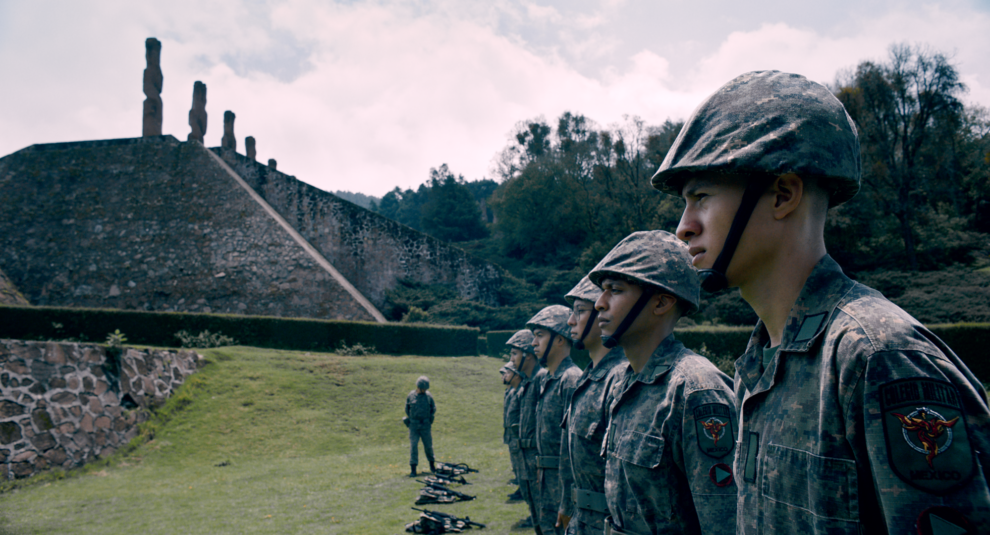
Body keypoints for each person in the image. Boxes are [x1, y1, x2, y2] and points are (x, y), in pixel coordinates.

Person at [656, 70, 990, 534]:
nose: (684, 227)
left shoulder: (879, 356)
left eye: (702, 197)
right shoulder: (759, 363)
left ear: (783, 194)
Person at [590, 230, 737, 535]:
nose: (599, 304)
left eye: (614, 290)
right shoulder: (623, 382)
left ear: (661, 303)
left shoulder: (696, 390)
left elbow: (724, 522)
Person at [558, 276, 627, 535]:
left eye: (580, 311)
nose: (570, 321)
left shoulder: (620, 378)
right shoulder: (586, 378)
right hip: (583, 520)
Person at [527, 305, 583, 535]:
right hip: (544, 478)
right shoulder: (546, 378)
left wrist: (568, 501)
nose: (533, 343)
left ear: (560, 340)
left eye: (540, 335)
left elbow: (573, 449)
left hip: (561, 483)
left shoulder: (570, 380)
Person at [514, 329, 545, 533]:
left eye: (515, 353)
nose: (512, 359)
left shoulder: (541, 379)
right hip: (528, 460)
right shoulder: (528, 382)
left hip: (539, 462)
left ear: (528, 354)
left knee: (547, 521)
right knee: (537, 519)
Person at [501, 357, 524, 501]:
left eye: (508, 373)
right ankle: (521, 488)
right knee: (517, 464)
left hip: (519, 436)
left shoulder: (520, 391)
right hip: (512, 433)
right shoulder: (513, 391)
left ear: (516, 374)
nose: (504, 376)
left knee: (521, 465)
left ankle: (522, 490)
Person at [405, 375, 436, 477]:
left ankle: (432, 466)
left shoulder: (428, 396)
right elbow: (407, 409)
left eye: (425, 389)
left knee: (428, 446)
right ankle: (413, 469)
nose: (424, 390)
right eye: (423, 389)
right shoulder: (411, 396)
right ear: (418, 387)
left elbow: (433, 408)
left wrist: (428, 419)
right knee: (413, 447)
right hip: (414, 426)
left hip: (425, 425)